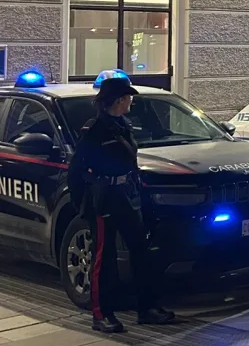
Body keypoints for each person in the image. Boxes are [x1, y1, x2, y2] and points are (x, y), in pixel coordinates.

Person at [67, 76, 175, 333]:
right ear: (117, 100)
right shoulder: (94, 131)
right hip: (103, 199)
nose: (130, 102)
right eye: (128, 98)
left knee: (140, 250)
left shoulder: (123, 126)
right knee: (104, 258)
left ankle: (147, 308)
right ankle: (102, 314)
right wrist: (83, 204)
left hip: (125, 196)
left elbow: (130, 163)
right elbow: (76, 170)